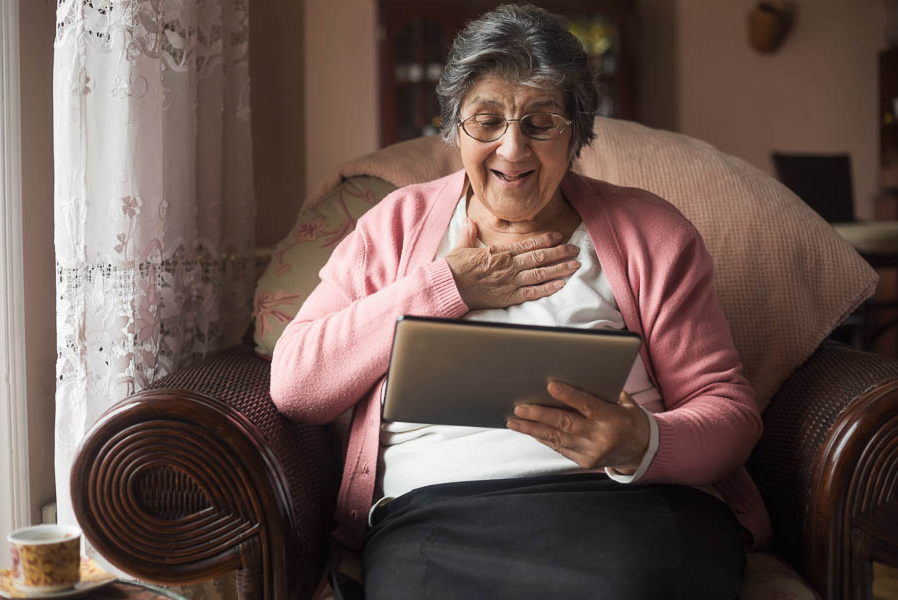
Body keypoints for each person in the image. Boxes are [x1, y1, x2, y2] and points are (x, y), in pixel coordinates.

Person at [271, 4, 771, 598]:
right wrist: (444, 287)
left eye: (540, 123)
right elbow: (296, 386)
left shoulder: (650, 232)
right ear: (455, 128)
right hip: (434, 519)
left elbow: (730, 409)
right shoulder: (396, 227)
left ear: (578, 131)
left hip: (627, 506)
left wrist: (643, 441)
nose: (513, 151)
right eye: (487, 121)